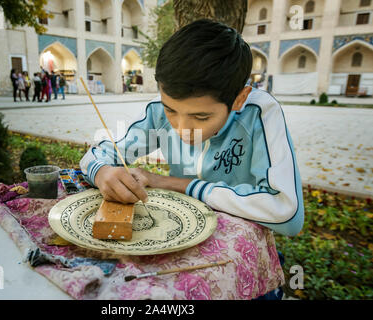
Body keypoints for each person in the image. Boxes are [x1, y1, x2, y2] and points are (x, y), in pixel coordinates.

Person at [79, 19, 304, 237]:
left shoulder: (259, 113)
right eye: (171, 111)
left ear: (239, 99)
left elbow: (286, 214)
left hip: (238, 241)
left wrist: (175, 183)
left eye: (201, 116)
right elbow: (99, 154)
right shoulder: (158, 109)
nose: (181, 129)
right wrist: (102, 172)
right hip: (178, 230)